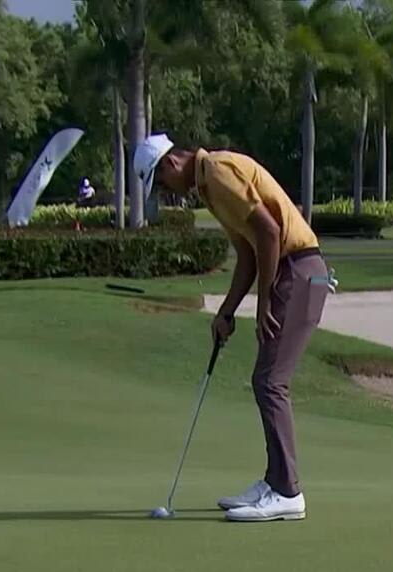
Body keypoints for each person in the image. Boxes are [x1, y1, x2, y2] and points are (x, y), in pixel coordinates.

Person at [135, 133, 333, 523]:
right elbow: (247, 252)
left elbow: (270, 233)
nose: (167, 190)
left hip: (300, 270)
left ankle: (288, 492)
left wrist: (262, 304)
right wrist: (225, 312)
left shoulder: (217, 171)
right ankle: (275, 480)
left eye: (160, 182)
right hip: (291, 272)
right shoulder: (209, 185)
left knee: (271, 381)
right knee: (266, 380)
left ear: (172, 164)